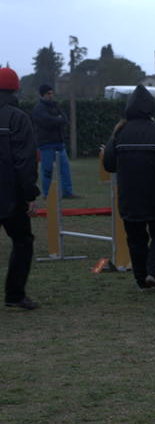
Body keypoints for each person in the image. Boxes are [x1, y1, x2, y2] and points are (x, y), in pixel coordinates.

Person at [103, 85, 155, 292]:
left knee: (136, 238)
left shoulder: (119, 133)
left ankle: (141, 279)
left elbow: (109, 165)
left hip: (128, 195)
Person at [0, 68, 40, 310]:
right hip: (10, 195)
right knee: (22, 241)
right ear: (16, 89)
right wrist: (29, 195)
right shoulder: (18, 118)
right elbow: (25, 161)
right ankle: (15, 295)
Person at [31, 84, 78, 199]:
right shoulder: (38, 109)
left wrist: (56, 120)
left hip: (59, 143)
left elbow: (64, 119)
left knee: (65, 169)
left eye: (52, 93)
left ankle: (67, 192)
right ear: (42, 95)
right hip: (46, 144)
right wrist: (58, 119)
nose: (51, 96)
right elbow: (47, 122)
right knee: (47, 170)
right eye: (48, 93)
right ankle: (47, 194)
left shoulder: (56, 106)